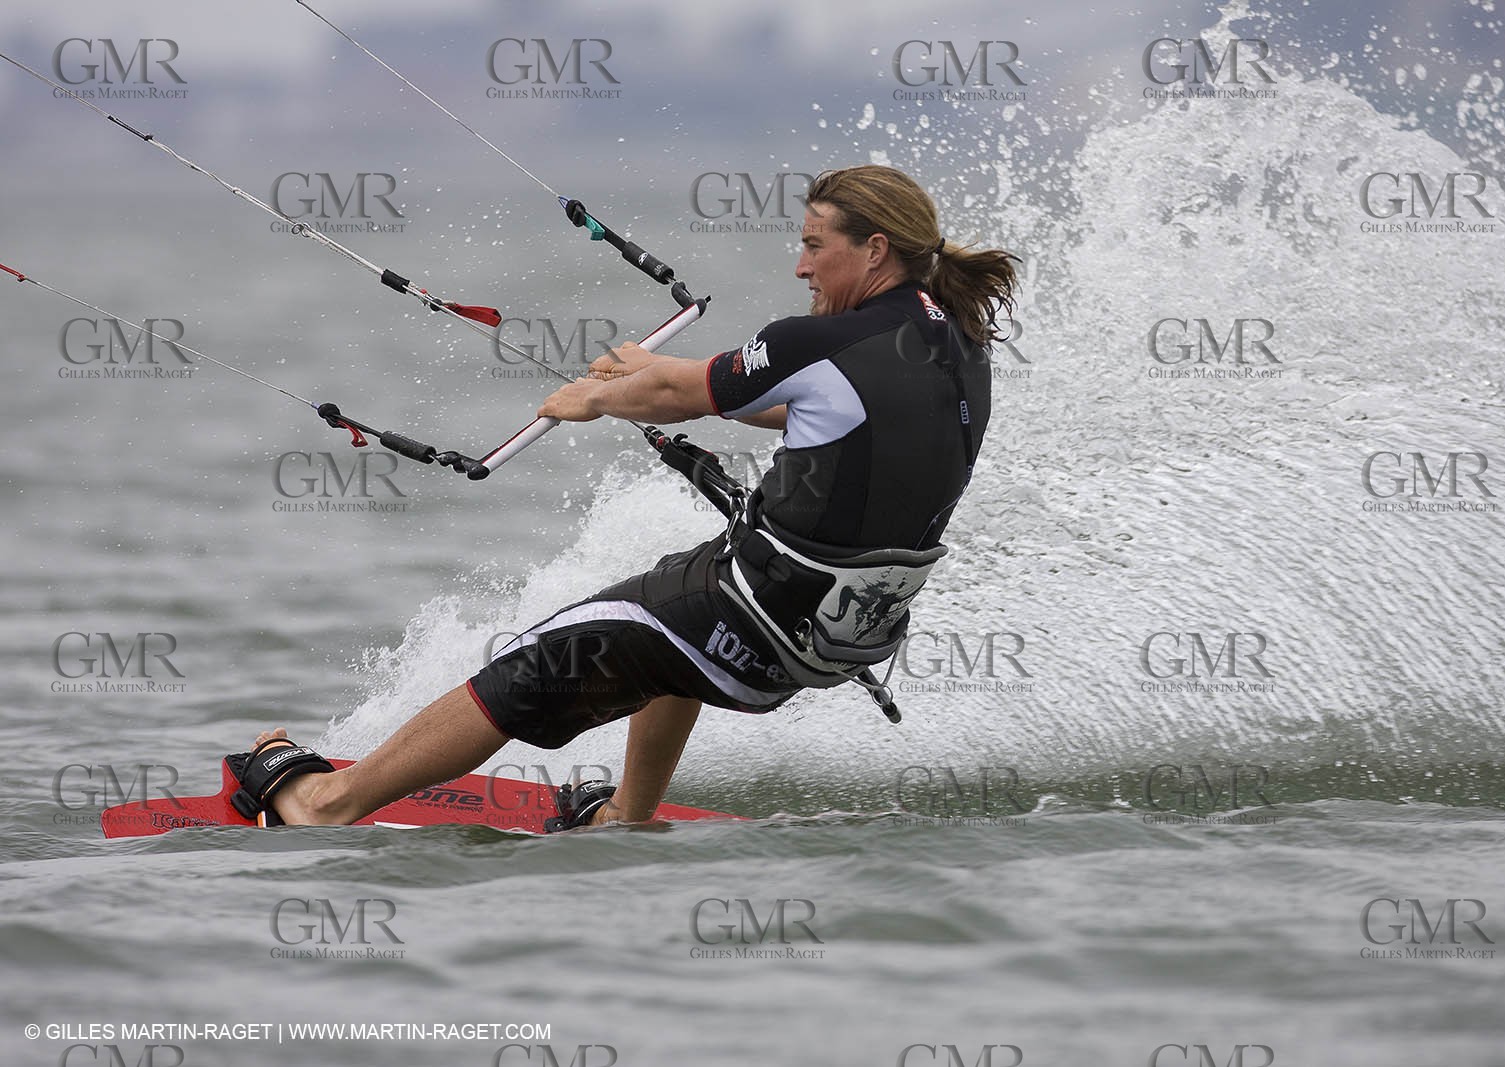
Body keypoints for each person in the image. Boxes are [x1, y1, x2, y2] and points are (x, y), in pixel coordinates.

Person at [227, 165, 1020, 830]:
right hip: (839, 644)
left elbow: (685, 394)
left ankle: (326, 802)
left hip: (756, 613)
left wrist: (600, 396)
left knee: (532, 665)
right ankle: (627, 814)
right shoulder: (959, 348)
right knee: (670, 617)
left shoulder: (819, 340)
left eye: (814, 245)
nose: (800, 267)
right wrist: (655, 371)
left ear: (874, 248)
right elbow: (823, 411)